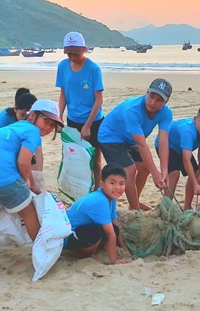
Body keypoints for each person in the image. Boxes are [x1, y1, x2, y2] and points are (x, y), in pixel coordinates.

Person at [0, 99, 64, 282]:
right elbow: (23, 162)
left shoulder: (7, 129)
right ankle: (43, 255)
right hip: (3, 179)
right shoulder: (32, 132)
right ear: (33, 115)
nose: (48, 128)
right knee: (29, 213)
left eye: (53, 125)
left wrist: (29, 181)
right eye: (46, 121)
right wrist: (27, 184)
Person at [97, 78, 173, 210]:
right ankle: (135, 209)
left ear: (166, 102)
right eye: (151, 96)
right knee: (129, 170)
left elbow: (163, 141)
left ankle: (134, 202)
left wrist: (164, 171)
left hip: (129, 140)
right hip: (110, 136)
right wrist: (156, 174)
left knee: (144, 167)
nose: (153, 102)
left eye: (159, 100)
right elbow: (142, 144)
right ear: (147, 92)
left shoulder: (166, 113)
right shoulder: (132, 109)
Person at [57, 32, 105, 189]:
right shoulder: (63, 67)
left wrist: (88, 125)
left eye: (76, 53)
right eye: (69, 53)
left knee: (95, 158)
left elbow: (99, 99)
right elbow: (63, 95)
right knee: (75, 158)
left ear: (84, 49)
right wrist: (58, 118)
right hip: (73, 120)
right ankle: (79, 190)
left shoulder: (93, 69)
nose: (73, 57)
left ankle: (97, 188)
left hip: (94, 120)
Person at [64, 165, 132, 264]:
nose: (117, 188)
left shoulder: (110, 198)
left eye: (121, 183)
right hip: (67, 235)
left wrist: (124, 248)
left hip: (80, 230)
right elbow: (109, 233)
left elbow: (115, 223)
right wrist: (114, 260)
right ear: (102, 184)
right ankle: (82, 253)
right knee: (98, 231)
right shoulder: (101, 200)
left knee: (115, 229)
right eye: (112, 183)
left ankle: (89, 249)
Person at [154, 104, 200, 210]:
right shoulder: (188, 131)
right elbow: (186, 159)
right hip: (167, 144)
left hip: (181, 148)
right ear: (195, 119)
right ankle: (166, 206)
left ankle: (187, 206)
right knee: (174, 173)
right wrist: (195, 184)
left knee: (196, 173)